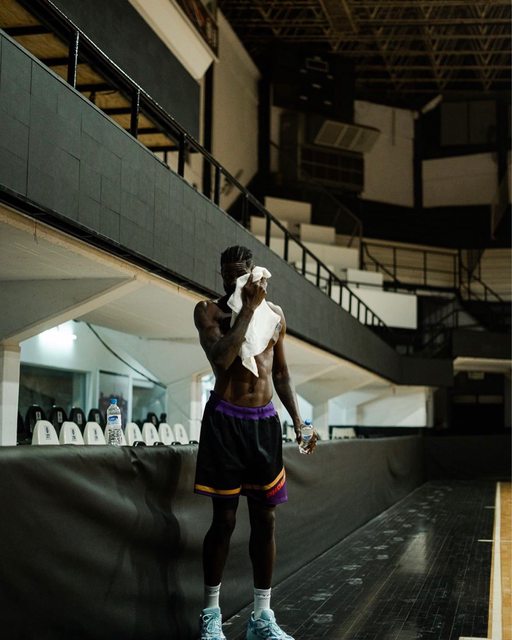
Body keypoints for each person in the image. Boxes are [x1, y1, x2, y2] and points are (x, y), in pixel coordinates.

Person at [193, 245, 317, 640]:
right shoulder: (208, 311)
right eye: (228, 273)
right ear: (221, 274)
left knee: (266, 519)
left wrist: (299, 422)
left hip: (263, 423)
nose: (234, 280)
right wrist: (246, 309)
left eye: (241, 273)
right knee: (225, 520)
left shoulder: (275, 315)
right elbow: (222, 359)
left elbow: (280, 374)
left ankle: (261, 617)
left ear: (253, 272)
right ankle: (211, 616)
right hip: (225, 421)